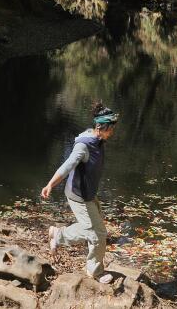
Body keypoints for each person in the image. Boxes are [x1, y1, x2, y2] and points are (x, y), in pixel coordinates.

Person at [41, 102, 119, 284]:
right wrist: (50, 184)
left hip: (88, 194)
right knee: (95, 233)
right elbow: (67, 165)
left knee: (97, 230)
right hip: (79, 196)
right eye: (110, 129)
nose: (112, 133)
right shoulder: (83, 146)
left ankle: (57, 235)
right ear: (100, 127)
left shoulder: (98, 139)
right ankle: (94, 270)